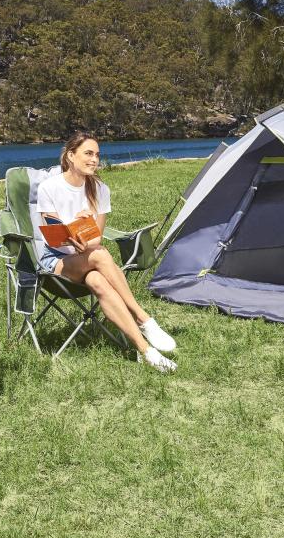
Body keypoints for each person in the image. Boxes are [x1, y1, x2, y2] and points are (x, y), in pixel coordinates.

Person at [36, 132, 178, 373]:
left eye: (97, 155)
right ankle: (143, 318)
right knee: (101, 254)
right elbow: (54, 235)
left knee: (98, 280)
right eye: (88, 153)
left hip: (87, 256)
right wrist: (76, 233)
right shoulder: (49, 187)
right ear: (71, 156)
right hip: (55, 259)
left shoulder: (100, 189)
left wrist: (85, 229)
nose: (94, 160)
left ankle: (146, 351)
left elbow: (97, 237)